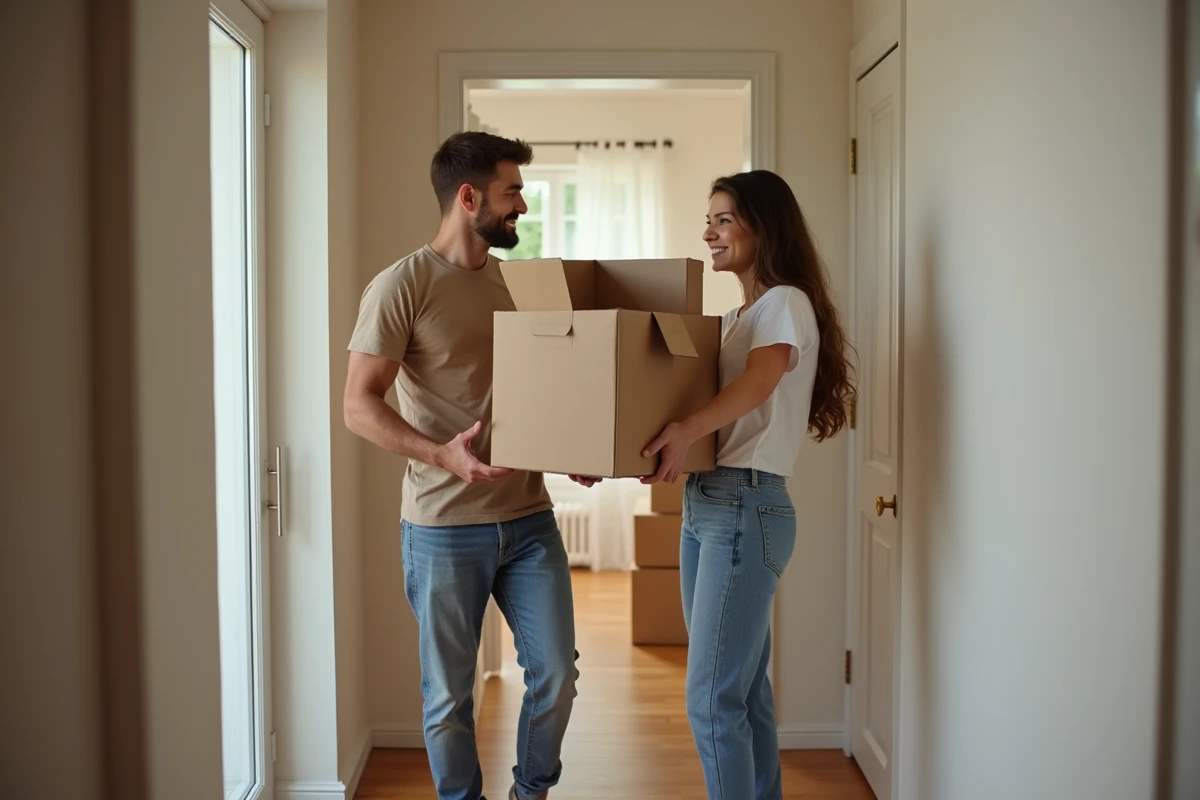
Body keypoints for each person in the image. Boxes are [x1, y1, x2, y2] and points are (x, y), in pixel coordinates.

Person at [343, 131, 580, 800]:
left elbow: (536, 396)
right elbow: (358, 405)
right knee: (449, 697)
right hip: (443, 527)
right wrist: (439, 454)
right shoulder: (403, 285)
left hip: (529, 519)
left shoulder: (518, 286)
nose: (522, 207)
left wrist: (576, 453)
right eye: (513, 193)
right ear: (469, 197)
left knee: (557, 675)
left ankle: (530, 793)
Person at [640, 170, 857, 800]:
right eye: (708, 221)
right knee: (742, 691)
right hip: (708, 501)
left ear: (764, 226)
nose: (709, 233)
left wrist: (685, 429)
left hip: (745, 503)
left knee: (712, 699)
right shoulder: (739, 316)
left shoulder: (785, 302)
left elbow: (759, 385)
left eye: (724, 220)